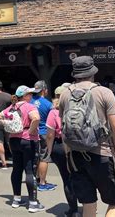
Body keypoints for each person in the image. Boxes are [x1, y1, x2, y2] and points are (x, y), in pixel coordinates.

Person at [59, 56, 115, 217]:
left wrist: (68, 156)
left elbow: (64, 129)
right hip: (102, 154)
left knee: (88, 203)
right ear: (93, 73)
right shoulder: (104, 92)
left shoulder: (64, 94)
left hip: (75, 156)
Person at [0, 85, 45, 213]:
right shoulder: (30, 106)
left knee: (17, 169)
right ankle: (33, 203)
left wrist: (8, 125)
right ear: (24, 96)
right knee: (30, 171)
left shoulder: (12, 107)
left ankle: (16, 199)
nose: (31, 95)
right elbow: (36, 118)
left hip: (14, 140)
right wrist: (30, 131)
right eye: (29, 93)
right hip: (28, 140)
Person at [45, 85, 79, 217]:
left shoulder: (54, 112)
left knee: (67, 178)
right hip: (80, 145)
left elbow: (49, 135)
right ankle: (89, 204)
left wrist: (49, 151)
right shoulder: (78, 107)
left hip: (61, 146)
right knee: (82, 177)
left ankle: (73, 209)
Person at [30, 80, 56, 191]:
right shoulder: (49, 104)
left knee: (34, 156)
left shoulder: (29, 102)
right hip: (44, 132)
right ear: (44, 90)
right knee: (44, 158)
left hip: (32, 132)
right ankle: (42, 183)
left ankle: (34, 179)